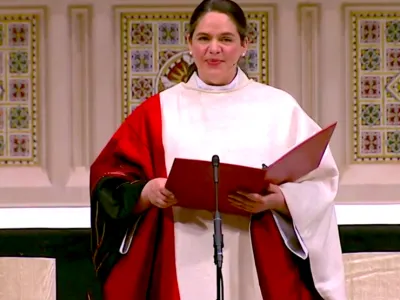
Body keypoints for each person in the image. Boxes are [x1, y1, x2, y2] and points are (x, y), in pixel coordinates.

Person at [89, 0, 347, 299]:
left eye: (226, 39)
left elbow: (321, 183)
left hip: (257, 254)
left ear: (244, 45)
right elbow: (109, 183)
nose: (214, 49)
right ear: (189, 43)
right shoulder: (157, 111)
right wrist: (147, 192)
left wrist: (279, 200)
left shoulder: (279, 107)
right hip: (178, 252)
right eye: (204, 38)